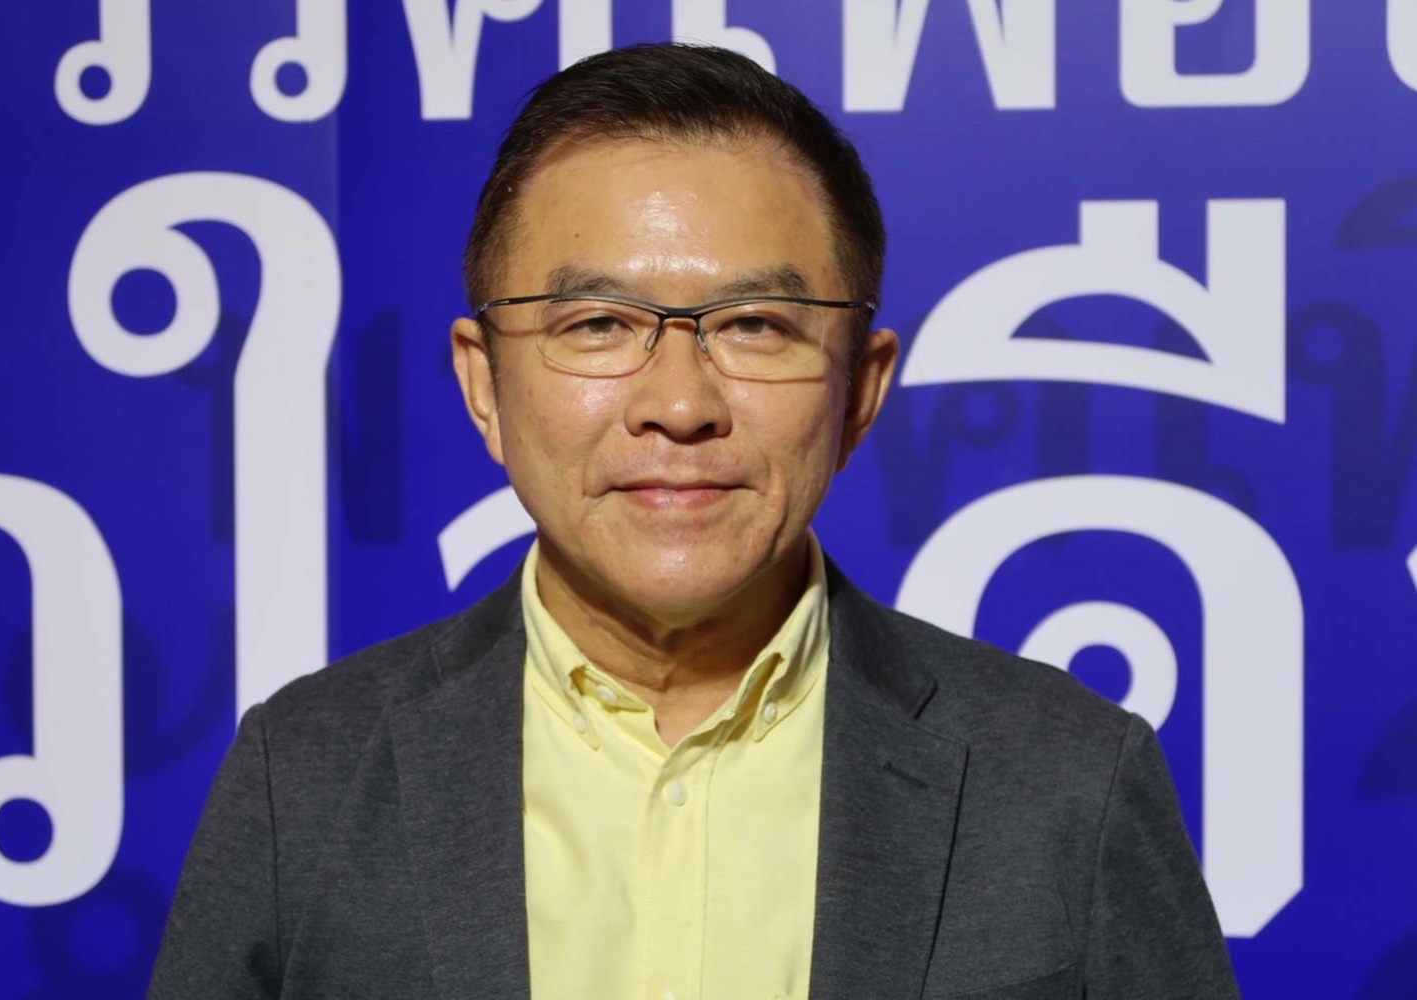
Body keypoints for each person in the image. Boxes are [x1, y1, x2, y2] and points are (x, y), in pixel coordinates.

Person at [149, 43, 1240, 1000]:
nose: (678, 404)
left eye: (756, 324)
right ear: (484, 386)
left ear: (860, 391)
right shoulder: (307, 775)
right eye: (597, 322)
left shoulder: (1070, 783)